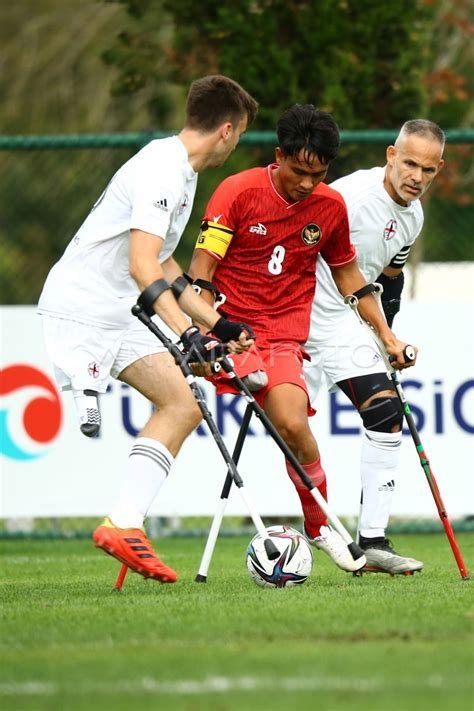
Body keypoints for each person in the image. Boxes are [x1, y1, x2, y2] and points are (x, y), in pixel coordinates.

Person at [37, 75, 259, 583]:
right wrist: (186, 334)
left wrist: (218, 324)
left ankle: (124, 525)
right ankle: (83, 387)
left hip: (117, 306)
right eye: (241, 134)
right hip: (84, 304)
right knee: (142, 399)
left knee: (184, 401)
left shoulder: (181, 171)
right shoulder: (162, 169)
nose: (236, 143)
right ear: (227, 130)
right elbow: (143, 266)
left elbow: (165, 265)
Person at [189, 104, 417, 573]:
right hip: (230, 329)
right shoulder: (237, 192)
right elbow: (201, 273)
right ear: (279, 156)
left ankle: (320, 528)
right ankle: (129, 519)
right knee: (205, 397)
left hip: (283, 338)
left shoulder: (329, 207)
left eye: (319, 173)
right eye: (299, 171)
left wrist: (387, 335)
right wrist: (205, 328)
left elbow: (351, 277)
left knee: (294, 424)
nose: (308, 183)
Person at [304, 119, 445, 574]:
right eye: (409, 164)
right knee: (284, 426)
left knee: (386, 413)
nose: (416, 177)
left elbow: (390, 279)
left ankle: (372, 541)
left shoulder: (414, 217)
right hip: (301, 320)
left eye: (427, 169)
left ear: (438, 169)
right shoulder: (350, 199)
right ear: (390, 155)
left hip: (347, 327)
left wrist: (389, 337)